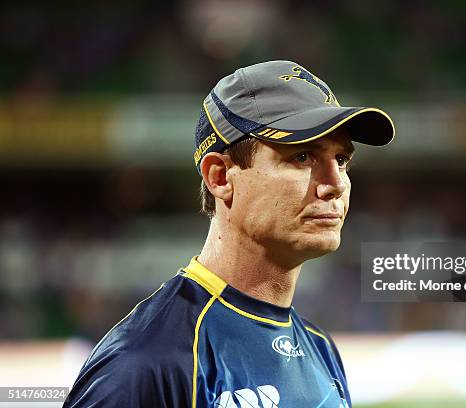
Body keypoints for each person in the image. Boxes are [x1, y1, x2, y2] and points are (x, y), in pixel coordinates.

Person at [64, 60, 394, 407]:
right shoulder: (148, 361)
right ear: (220, 177)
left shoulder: (321, 349)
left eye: (341, 159)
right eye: (302, 156)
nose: (335, 184)